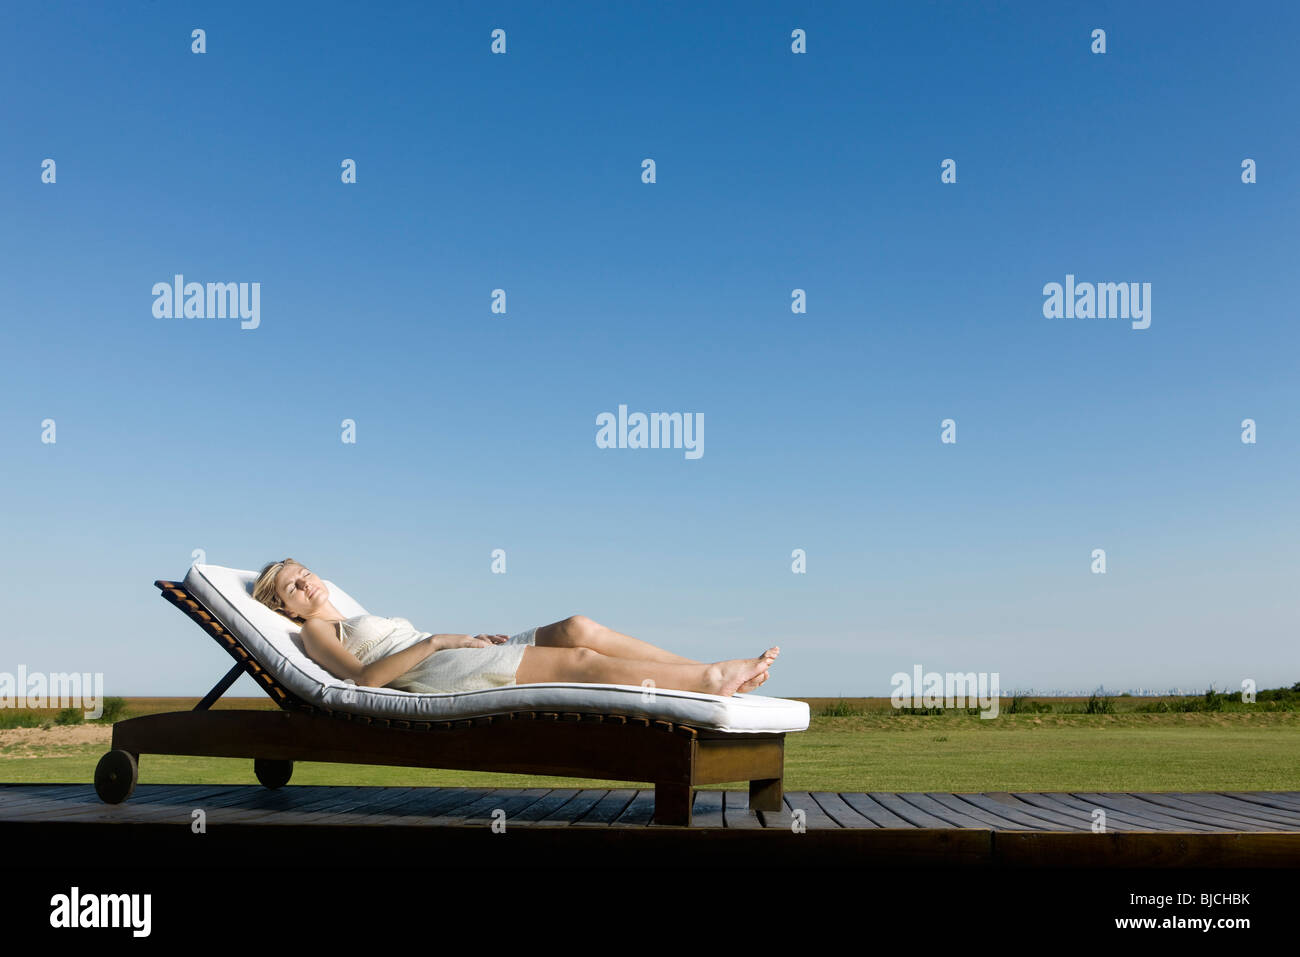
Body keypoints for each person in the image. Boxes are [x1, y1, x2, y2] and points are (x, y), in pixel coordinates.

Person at [251, 558, 778, 697]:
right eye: (294, 588)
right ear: (287, 609)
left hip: (450, 650)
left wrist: (462, 640)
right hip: (437, 667)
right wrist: (441, 640)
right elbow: (366, 681)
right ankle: (711, 681)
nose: (308, 584)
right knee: (578, 664)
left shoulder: (343, 612)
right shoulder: (315, 634)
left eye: (306, 573)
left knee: (577, 628)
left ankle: (702, 671)